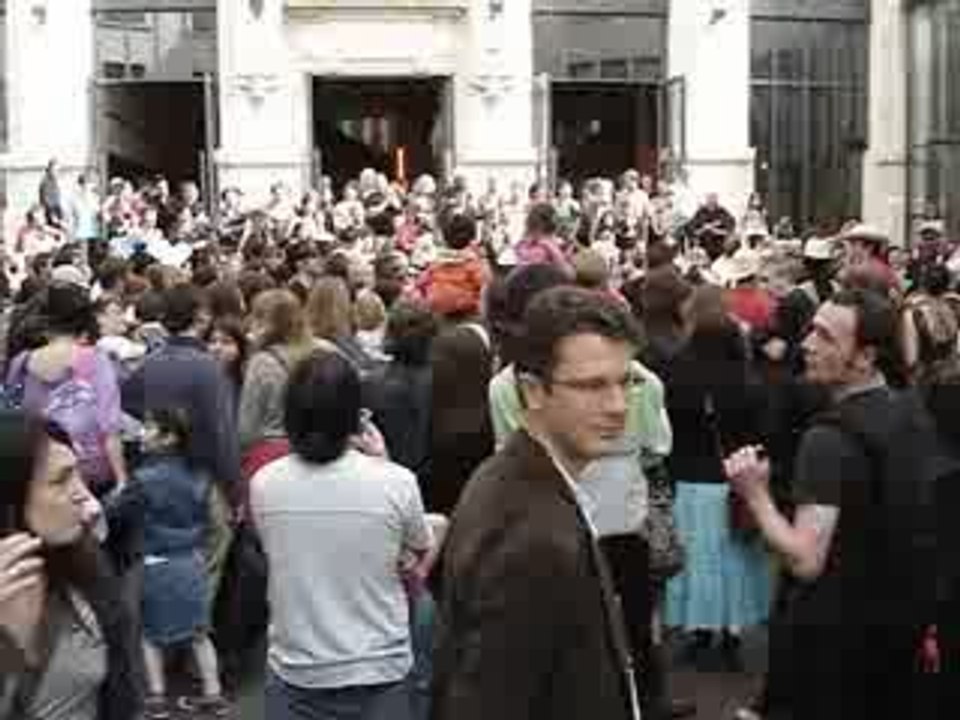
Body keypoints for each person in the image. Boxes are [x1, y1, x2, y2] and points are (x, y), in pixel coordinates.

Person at [433, 287, 644, 720]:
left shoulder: (515, 479)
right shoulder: (534, 540)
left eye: (626, 382)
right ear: (532, 391)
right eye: (591, 386)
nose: (618, 405)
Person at [724, 288, 936, 720]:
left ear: (865, 356)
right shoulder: (911, 413)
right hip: (897, 633)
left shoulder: (828, 440)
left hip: (835, 642)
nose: (807, 343)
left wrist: (755, 493)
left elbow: (805, 559)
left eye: (825, 336)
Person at [251, 351, 434, 720]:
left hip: (298, 664)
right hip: (381, 665)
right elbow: (419, 546)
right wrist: (382, 461)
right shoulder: (395, 482)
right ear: (354, 414)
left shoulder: (265, 484)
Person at [0, 411, 141, 720]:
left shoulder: (81, 560)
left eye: (78, 473)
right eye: (61, 479)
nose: (84, 496)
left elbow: (119, 686)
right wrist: (8, 645)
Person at [108, 408, 228, 719]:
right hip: (192, 562)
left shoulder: (143, 479)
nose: (142, 433)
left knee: (150, 634)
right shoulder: (201, 475)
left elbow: (116, 514)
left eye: (150, 428)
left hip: (156, 565)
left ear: (169, 437)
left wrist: (114, 494)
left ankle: (157, 700)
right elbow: (215, 522)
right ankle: (213, 695)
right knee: (200, 634)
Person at [7, 282, 129, 498]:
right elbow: (110, 427)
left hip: (41, 473)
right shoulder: (95, 360)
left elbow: (11, 417)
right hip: (92, 474)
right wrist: (121, 479)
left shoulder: (21, 362)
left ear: (44, 322)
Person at [688, 193, 735, 262]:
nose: (711, 202)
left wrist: (716, 230)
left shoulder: (722, 212)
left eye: (713, 200)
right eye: (709, 200)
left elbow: (730, 226)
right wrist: (703, 229)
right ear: (706, 201)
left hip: (719, 244)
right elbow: (691, 227)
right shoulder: (700, 212)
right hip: (703, 245)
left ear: (716, 201)